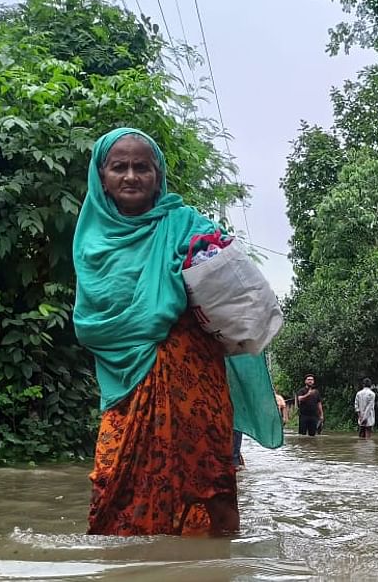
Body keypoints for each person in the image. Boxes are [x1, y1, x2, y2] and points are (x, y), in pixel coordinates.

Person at [73, 127, 238, 536]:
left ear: (158, 175)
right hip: (126, 383)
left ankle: (220, 566)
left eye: (142, 167)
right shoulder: (91, 242)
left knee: (210, 481)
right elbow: (92, 325)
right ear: (102, 177)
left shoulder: (186, 225)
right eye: (119, 167)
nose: (131, 176)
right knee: (109, 478)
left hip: (193, 378)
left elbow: (229, 284)